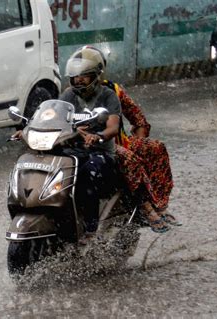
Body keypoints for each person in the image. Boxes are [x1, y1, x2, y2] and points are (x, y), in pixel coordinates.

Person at [81, 45, 180, 233]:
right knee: (128, 159)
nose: (82, 79)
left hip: (117, 143)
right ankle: (146, 207)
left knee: (156, 147)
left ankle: (159, 206)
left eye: (87, 74)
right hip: (90, 147)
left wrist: (137, 143)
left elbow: (139, 119)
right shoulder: (71, 94)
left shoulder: (113, 91)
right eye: (80, 75)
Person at [59, 47, 122, 237]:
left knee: (87, 173)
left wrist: (99, 136)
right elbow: (55, 116)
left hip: (100, 154)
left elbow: (113, 126)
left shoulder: (107, 96)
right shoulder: (68, 95)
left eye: (84, 76)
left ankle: (90, 227)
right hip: (75, 151)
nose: (78, 80)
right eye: (75, 76)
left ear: (96, 76)